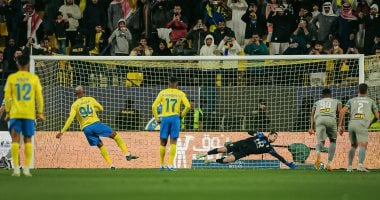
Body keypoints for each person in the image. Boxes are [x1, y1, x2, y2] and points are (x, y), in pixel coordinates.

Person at [56, 86, 138, 169]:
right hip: (95, 124)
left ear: (76, 94)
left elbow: (70, 119)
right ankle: (127, 154)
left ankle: (111, 165)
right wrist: (93, 109)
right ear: (84, 92)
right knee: (115, 135)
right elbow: (101, 108)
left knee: (100, 145)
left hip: (86, 129)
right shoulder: (90, 99)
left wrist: (62, 132)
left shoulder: (74, 105)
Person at [4, 55, 45, 177]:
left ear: (17, 64)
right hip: (28, 114)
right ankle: (26, 168)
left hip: (15, 113)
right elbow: (39, 97)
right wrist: (40, 112)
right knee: (27, 140)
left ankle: (16, 169)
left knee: (15, 140)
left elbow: (7, 97)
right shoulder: (33, 78)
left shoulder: (12, 78)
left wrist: (7, 112)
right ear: (28, 64)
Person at [196, 130, 296, 169]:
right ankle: (205, 154)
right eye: (274, 136)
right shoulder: (261, 135)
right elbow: (249, 131)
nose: (275, 138)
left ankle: (210, 161)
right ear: (269, 134)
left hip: (244, 153)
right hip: (240, 144)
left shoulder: (269, 149)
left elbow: (279, 157)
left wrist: (287, 163)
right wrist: (255, 133)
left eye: (276, 138)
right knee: (222, 149)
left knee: (228, 160)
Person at [152, 77, 191, 171]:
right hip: (175, 118)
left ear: (168, 83)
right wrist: (182, 115)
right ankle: (169, 165)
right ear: (177, 83)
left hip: (165, 118)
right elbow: (188, 106)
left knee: (162, 142)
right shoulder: (180, 93)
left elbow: (153, 106)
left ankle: (161, 165)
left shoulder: (163, 92)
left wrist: (157, 118)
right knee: (173, 142)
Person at [338, 83, 379, 172]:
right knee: (363, 145)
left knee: (353, 145)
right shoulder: (371, 101)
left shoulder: (351, 100)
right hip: (362, 124)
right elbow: (377, 116)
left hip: (352, 124)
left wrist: (340, 126)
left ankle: (349, 166)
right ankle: (360, 165)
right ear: (367, 91)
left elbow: (341, 112)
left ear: (358, 90)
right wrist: (371, 124)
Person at [308, 88, 342, 171]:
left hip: (319, 120)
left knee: (320, 142)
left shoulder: (317, 102)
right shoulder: (337, 101)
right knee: (333, 141)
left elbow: (312, 114)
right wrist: (341, 125)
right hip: (331, 119)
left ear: (322, 95)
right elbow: (340, 112)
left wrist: (311, 128)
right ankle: (329, 164)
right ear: (331, 95)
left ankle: (318, 154)